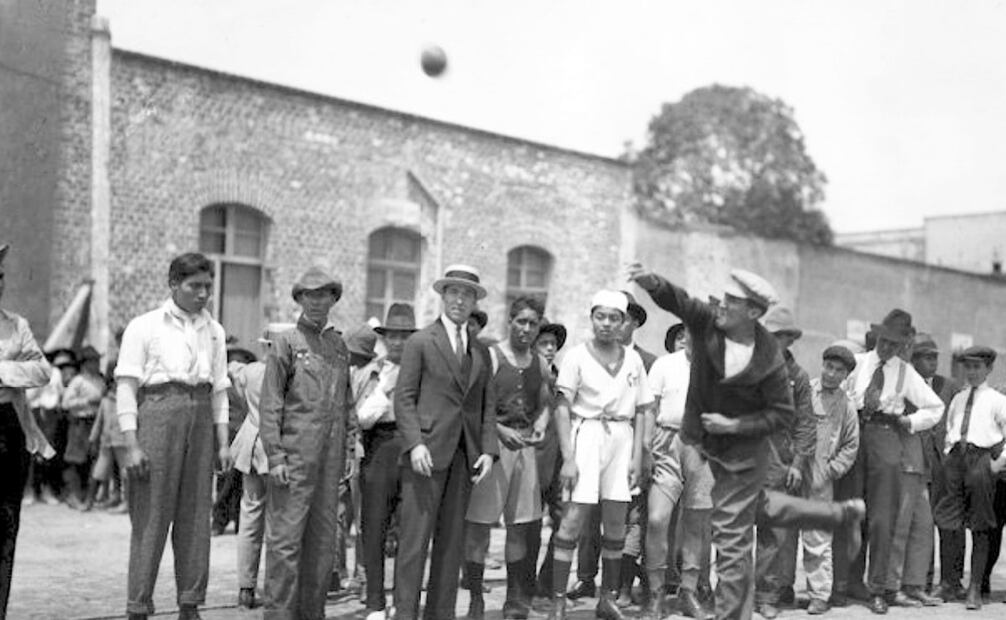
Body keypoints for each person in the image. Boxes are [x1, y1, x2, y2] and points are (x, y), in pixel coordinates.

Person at [627, 263, 866, 620]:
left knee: (735, 537)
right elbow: (681, 301)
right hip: (698, 444)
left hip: (744, 451)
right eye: (722, 299)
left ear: (754, 313)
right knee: (755, 514)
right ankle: (837, 514)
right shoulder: (710, 324)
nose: (722, 306)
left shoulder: (770, 357)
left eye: (732, 302)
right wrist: (652, 282)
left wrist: (733, 424)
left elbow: (782, 416)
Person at [116, 252, 233, 620]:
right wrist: (132, 444)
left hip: (200, 418)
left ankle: (190, 602)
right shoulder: (145, 326)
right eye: (194, 286)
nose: (202, 294)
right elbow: (125, 386)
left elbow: (219, 391)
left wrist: (224, 441)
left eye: (208, 287)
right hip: (157, 413)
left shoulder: (214, 331)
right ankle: (138, 605)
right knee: (150, 515)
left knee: (197, 515)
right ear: (173, 284)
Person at [393, 265, 497, 620]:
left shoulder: (481, 352)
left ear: (474, 301)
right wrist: (415, 443)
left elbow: (486, 406)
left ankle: (441, 614)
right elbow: (404, 398)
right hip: (426, 455)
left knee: (451, 546)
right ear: (443, 295)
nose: (459, 299)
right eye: (454, 292)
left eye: (467, 294)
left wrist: (487, 451)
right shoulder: (421, 342)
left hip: (463, 457)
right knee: (413, 544)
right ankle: (405, 612)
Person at [545, 290, 651, 620]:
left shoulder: (632, 360)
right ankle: (559, 600)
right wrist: (569, 457)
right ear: (592, 318)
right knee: (573, 519)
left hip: (622, 437)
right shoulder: (577, 356)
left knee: (616, 522)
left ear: (623, 323)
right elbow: (562, 408)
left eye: (614, 318)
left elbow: (644, 409)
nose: (606, 324)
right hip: (586, 434)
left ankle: (608, 598)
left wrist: (637, 456)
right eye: (600, 317)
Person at [259, 267, 356, 620]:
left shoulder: (338, 346)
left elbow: (347, 403)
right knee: (285, 544)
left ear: (333, 299)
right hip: (294, 457)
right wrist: (276, 455)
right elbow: (271, 403)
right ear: (299, 299)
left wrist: (349, 448)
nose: (317, 302)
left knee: (322, 543)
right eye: (309, 295)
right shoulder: (286, 343)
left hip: (330, 461)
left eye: (324, 295)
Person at [837, 309, 944, 615]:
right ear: (877, 337)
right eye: (884, 341)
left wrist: (909, 422)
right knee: (852, 511)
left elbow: (935, 407)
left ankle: (878, 589)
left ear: (901, 345)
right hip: (855, 435)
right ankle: (847, 583)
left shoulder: (905, 372)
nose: (887, 348)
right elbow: (837, 395)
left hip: (887, 436)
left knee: (883, 518)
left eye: (894, 344)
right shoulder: (856, 364)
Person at [464, 297, 551, 620]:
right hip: (493, 449)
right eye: (521, 322)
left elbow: (546, 401)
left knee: (519, 528)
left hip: (525, 448)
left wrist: (541, 424)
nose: (526, 329)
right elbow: (473, 405)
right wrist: (499, 431)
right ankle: (475, 597)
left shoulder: (539, 363)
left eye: (533, 324)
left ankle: (515, 600)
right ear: (510, 321)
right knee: (479, 526)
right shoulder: (491, 355)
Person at [641, 325, 715, 620]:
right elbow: (649, 407)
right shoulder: (664, 364)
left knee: (697, 521)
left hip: (703, 445)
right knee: (657, 518)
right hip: (666, 441)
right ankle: (656, 593)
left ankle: (688, 591)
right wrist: (646, 447)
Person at [0, 242, 55, 617]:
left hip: (6, 427)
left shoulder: (15, 325)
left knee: (4, 527)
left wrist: (3, 371)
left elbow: (41, 370)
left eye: (0, 277)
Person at [755, 307, 817, 619]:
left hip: (780, 459)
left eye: (785, 336)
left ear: (791, 340)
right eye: (774, 335)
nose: (779, 341)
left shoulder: (798, 377)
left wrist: (798, 462)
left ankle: (766, 595)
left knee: (774, 532)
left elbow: (806, 423)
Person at [357, 304, 417, 620]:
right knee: (374, 525)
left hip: (412, 445)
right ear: (384, 338)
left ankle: (404, 602)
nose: (398, 343)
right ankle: (375, 602)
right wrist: (385, 389)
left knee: (411, 528)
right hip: (379, 446)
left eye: (405, 337)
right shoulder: (371, 371)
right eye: (392, 336)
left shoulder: (423, 371)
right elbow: (361, 418)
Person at [936, 345, 1006, 611]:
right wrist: (947, 454)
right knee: (949, 520)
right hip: (956, 459)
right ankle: (950, 582)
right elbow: (950, 428)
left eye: (978, 367)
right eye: (968, 367)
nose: (972, 372)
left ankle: (975, 586)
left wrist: (997, 463)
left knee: (980, 523)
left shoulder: (998, 401)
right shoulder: (958, 398)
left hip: (981, 460)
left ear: (988, 369)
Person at [883, 333, 948, 607]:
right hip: (903, 462)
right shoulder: (899, 380)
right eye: (926, 356)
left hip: (922, 466)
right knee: (900, 526)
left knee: (923, 526)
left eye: (934, 356)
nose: (932, 362)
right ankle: (891, 587)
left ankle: (914, 584)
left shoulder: (930, 387)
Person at [798, 345, 860, 615]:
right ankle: (778, 588)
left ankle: (819, 595)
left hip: (821, 475)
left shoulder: (847, 406)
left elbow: (850, 446)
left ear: (846, 375)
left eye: (839, 371)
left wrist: (832, 470)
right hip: (794, 469)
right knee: (782, 534)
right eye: (829, 367)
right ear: (821, 365)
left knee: (817, 537)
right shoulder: (803, 392)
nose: (832, 374)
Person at [228, 329, 274, 610]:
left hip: (250, 442)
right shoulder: (291, 374)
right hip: (278, 447)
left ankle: (246, 585)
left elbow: (235, 380)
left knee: (250, 515)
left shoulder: (251, 371)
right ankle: (275, 584)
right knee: (278, 519)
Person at [531, 320, 568, 599]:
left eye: (553, 345)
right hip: (531, 459)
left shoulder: (563, 378)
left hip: (559, 462)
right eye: (543, 343)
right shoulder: (528, 375)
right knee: (528, 526)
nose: (549, 349)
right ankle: (523, 585)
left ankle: (546, 583)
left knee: (565, 522)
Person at [211, 342, 257, 536]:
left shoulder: (249, 385)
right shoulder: (223, 387)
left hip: (246, 438)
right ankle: (219, 520)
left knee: (241, 483)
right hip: (228, 438)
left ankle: (239, 522)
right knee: (225, 481)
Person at [60, 346, 105, 510]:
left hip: (95, 422)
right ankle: (73, 494)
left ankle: (87, 496)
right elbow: (65, 403)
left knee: (92, 458)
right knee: (75, 458)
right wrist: (86, 401)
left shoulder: (100, 380)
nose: (97, 364)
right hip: (80, 422)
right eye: (94, 361)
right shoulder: (78, 381)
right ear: (86, 363)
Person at [83, 359, 128, 512]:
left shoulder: (126, 399)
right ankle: (89, 501)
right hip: (106, 441)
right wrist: (92, 438)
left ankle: (126, 503)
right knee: (99, 471)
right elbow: (99, 422)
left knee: (125, 472)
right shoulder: (106, 401)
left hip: (122, 441)